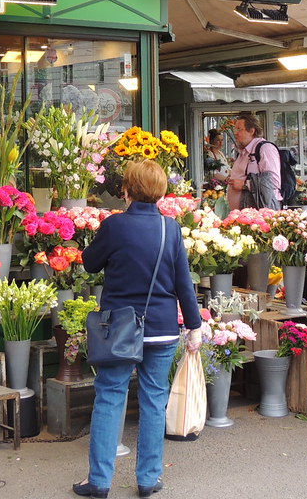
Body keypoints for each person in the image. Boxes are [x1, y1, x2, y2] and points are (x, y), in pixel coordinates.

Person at [75, 159, 203, 499]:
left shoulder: (115, 226)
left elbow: (89, 264)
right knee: (153, 402)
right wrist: (195, 326)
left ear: (127, 190)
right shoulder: (170, 228)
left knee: (110, 398)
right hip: (161, 329)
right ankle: (148, 479)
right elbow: (183, 283)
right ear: (160, 192)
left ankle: (99, 482)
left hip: (120, 328)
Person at [225, 112, 281, 211]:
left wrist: (244, 185)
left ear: (251, 131)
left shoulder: (265, 148)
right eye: (235, 129)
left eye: (239, 129)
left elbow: (274, 182)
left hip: (259, 216)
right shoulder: (245, 151)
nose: (235, 133)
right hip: (244, 216)